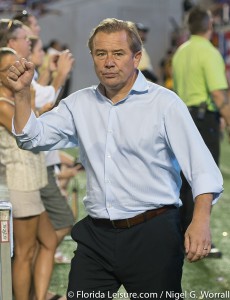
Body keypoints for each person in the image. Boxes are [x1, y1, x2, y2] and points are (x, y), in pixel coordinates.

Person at [9, 18, 223, 299]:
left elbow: (202, 168)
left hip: (153, 235)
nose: (108, 62)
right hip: (96, 238)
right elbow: (31, 138)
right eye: (101, 53)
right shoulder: (79, 104)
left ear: (136, 57)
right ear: (93, 58)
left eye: (118, 53)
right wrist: (23, 94)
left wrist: (200, 221)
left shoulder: (165, 104)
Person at [172, 6, 230, 258]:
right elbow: (218, 94)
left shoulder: (180, 52)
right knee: (205, 181)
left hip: (183, 118)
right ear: (209, 27)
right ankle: (197, 240)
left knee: (184, 182)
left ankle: (181, 235)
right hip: (203, 120)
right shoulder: (209, 52)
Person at [0, 47, 57, 300]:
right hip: (19, 184)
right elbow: (26, 130)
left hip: (32, 181)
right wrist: (33, 102)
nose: (18, 71)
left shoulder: (14, 98)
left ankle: (39, 296)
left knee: (48, 241)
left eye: (19, 65)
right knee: (24, 252)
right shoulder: (2, 104)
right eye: (9, 68)